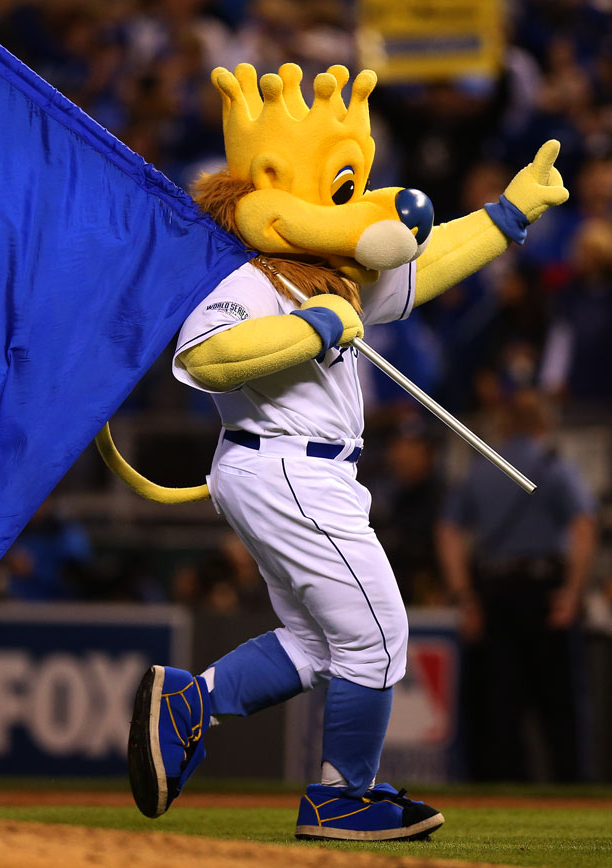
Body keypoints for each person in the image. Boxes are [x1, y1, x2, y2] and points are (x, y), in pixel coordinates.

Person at [122, 62, 569, 842]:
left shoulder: (327, 269)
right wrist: (314, 329)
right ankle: (341, 796)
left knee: (319, 642)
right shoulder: (249, 275)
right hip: (284, 464)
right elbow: (204, 357)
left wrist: (504, 215)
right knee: (378, 631)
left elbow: (421, 271)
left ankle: (189, 704)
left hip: (303, 470)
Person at [436, 388, 597, 781]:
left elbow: (448, 530)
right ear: (545, 422)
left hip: (494, 593)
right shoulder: (554, 467)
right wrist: (573, 593)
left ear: (505, 424)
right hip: (545, 591)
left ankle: (502, 789)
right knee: (560, 708)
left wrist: (464, 597)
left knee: (500, 705)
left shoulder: (481, 469)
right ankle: (570, 789)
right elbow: (584, 525)